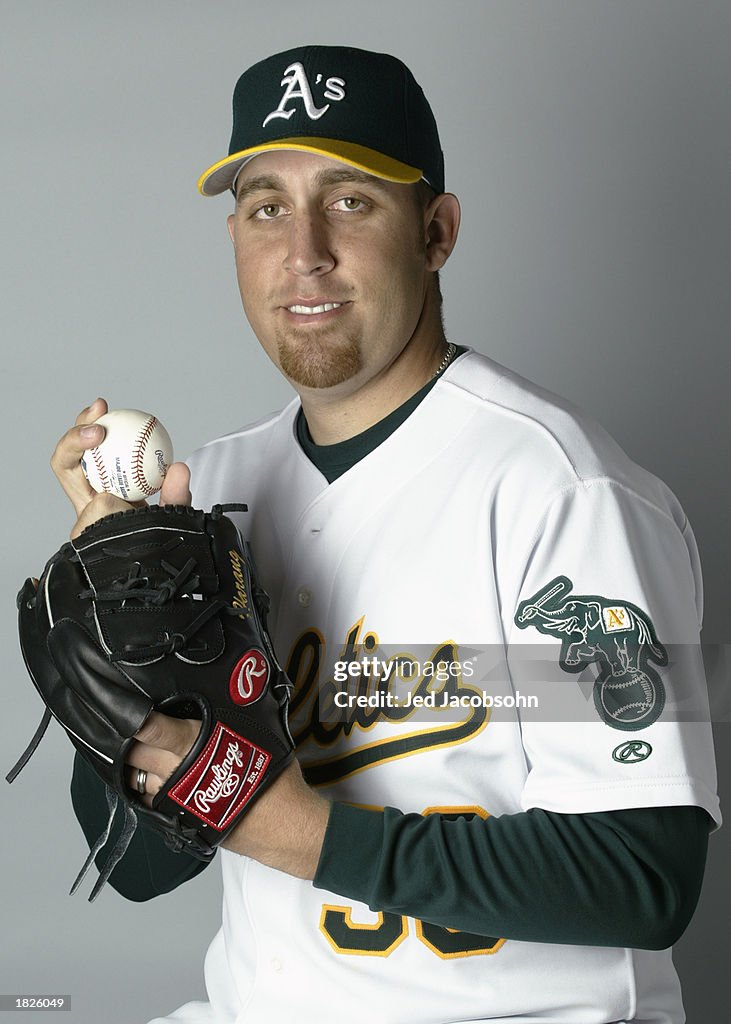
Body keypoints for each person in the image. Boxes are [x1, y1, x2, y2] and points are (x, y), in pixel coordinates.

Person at [52, 45, 719, 1024]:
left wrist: (285, 826)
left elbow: (640, 876)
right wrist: (123, 638)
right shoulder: (219, 488)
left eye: (351, 199)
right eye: (266, 206)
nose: (303, 250)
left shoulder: (556, 493)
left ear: (436, 230)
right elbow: (138, 866)